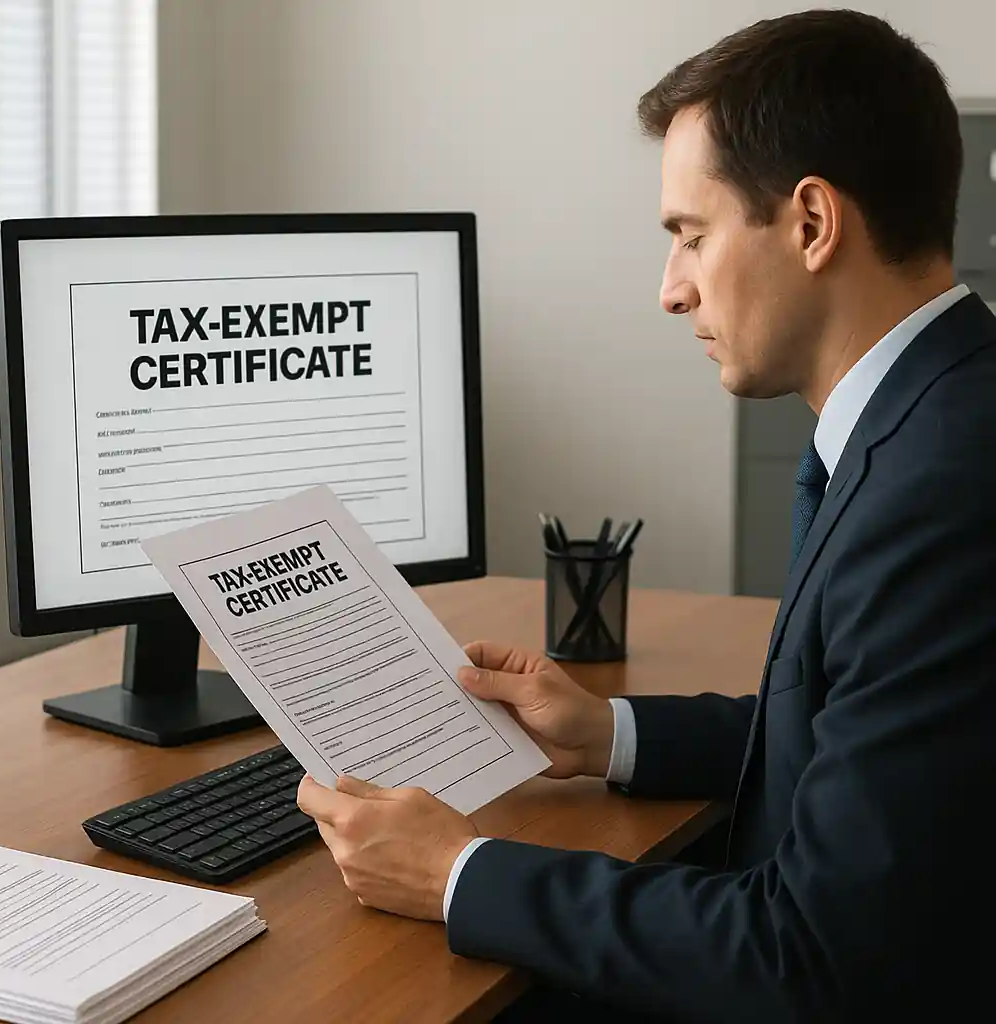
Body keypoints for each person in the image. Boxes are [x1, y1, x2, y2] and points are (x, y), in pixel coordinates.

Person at [297, 8, 996, 1021]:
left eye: (689, 235)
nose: (669, 290)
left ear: (809, 223)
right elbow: (875, 735)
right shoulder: (938, 411)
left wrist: (457, 871)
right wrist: (607, 733)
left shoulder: (941, 484)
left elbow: (817, 956)